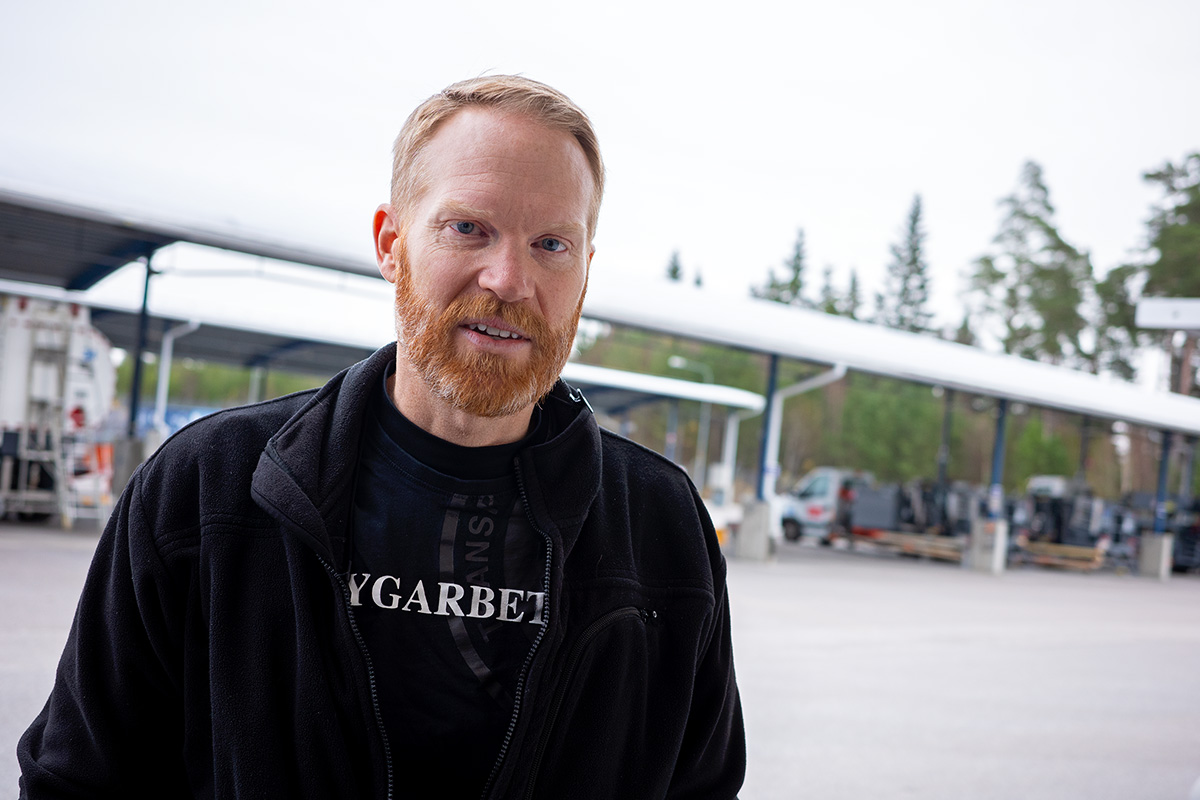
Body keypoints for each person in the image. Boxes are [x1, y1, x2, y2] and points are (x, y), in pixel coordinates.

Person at [18, 75, 745, 799]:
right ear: (391, 245)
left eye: (551, 243)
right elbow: (79, 780)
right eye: (469, 228)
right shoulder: (209, 490)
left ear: (583, 277)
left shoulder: (660, 528)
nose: (509, 278)